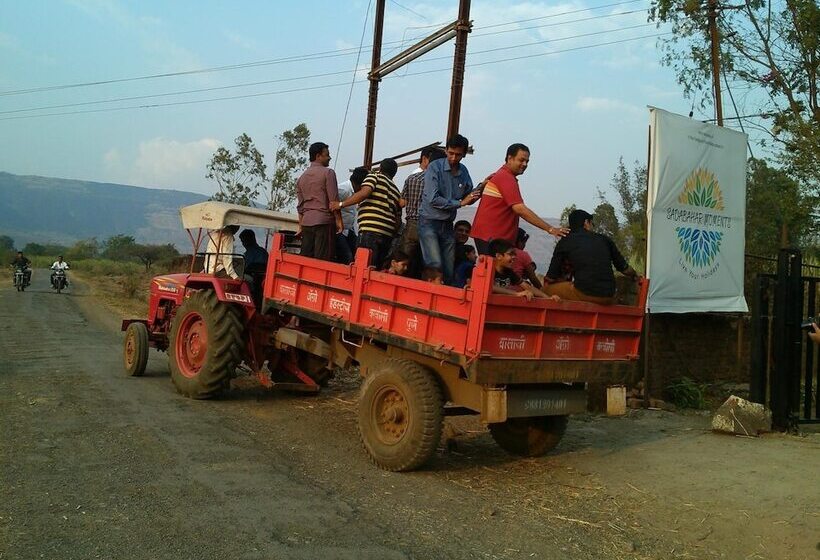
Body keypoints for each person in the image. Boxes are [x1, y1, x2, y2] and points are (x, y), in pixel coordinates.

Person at [471, 143, 568, 255]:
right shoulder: (506, 178)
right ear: (510, 158)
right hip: (492, 238)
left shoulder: (501, 175)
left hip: (489, 236)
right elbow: (519, 209)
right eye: (521, 160)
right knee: (492, 270)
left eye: (527, 161)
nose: (525, 164)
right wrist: (550, 229)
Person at [418, 134, 483, 284]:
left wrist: (481, 187)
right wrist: (460, 203)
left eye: (458, 155)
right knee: (434, 264)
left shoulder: (463, 171)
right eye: (451, 153)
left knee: (448, 268)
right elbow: (433, 199)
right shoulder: (435, 167)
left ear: (464, 154)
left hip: (447, 225)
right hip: (429, 222)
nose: (454, 158)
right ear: (446, 150)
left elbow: (469, 194)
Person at [544, 209, 638, 304]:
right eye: (592, 224)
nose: (592, 227)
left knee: (545, 290)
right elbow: (625, 269)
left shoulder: (565, 241)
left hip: (585, 294)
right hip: (609, 295)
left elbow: (551, 276)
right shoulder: (605, 240)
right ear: (586, 222)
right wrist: (635, 275)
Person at [331, 158, 401, 270]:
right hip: (386, 236)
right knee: (375, 269)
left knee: (363, 267)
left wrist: (340, 204)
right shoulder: (396, 190)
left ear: (380, 168)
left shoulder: (374, 177)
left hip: (370, 232)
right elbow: (398, 218)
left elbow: (365, 192)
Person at [399, 146, 446, 277]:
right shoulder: (442, 184)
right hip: (431, 226)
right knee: (427, 266)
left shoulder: (412, 178)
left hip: (412, 225)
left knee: (404, 261)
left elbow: (402, 202)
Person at [296, 142, 342, 261]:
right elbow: (333, 201)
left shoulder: (301, 178)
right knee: (322, 261)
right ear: (318, 156)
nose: (329, 157)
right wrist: (339, 221)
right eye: (327, 155)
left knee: (306, 260)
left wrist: (300, 226)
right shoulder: (328, 173)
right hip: (324, 222)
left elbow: (300, 207)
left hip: (306, 223)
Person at [488, 239, 555, 302]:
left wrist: (547, 297)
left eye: (514, 254)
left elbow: (527, 286)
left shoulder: (509, 272)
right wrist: (516, 294)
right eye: (511, 254)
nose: (514, 257)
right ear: (499, 256)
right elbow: (490, 287)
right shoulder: (488, 270)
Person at [335, 167, 368, 265]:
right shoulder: (342, 190)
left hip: (349, 230)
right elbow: (332, 206)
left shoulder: (356, 193)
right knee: (347, 256)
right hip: (338, 230)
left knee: (356, 255)